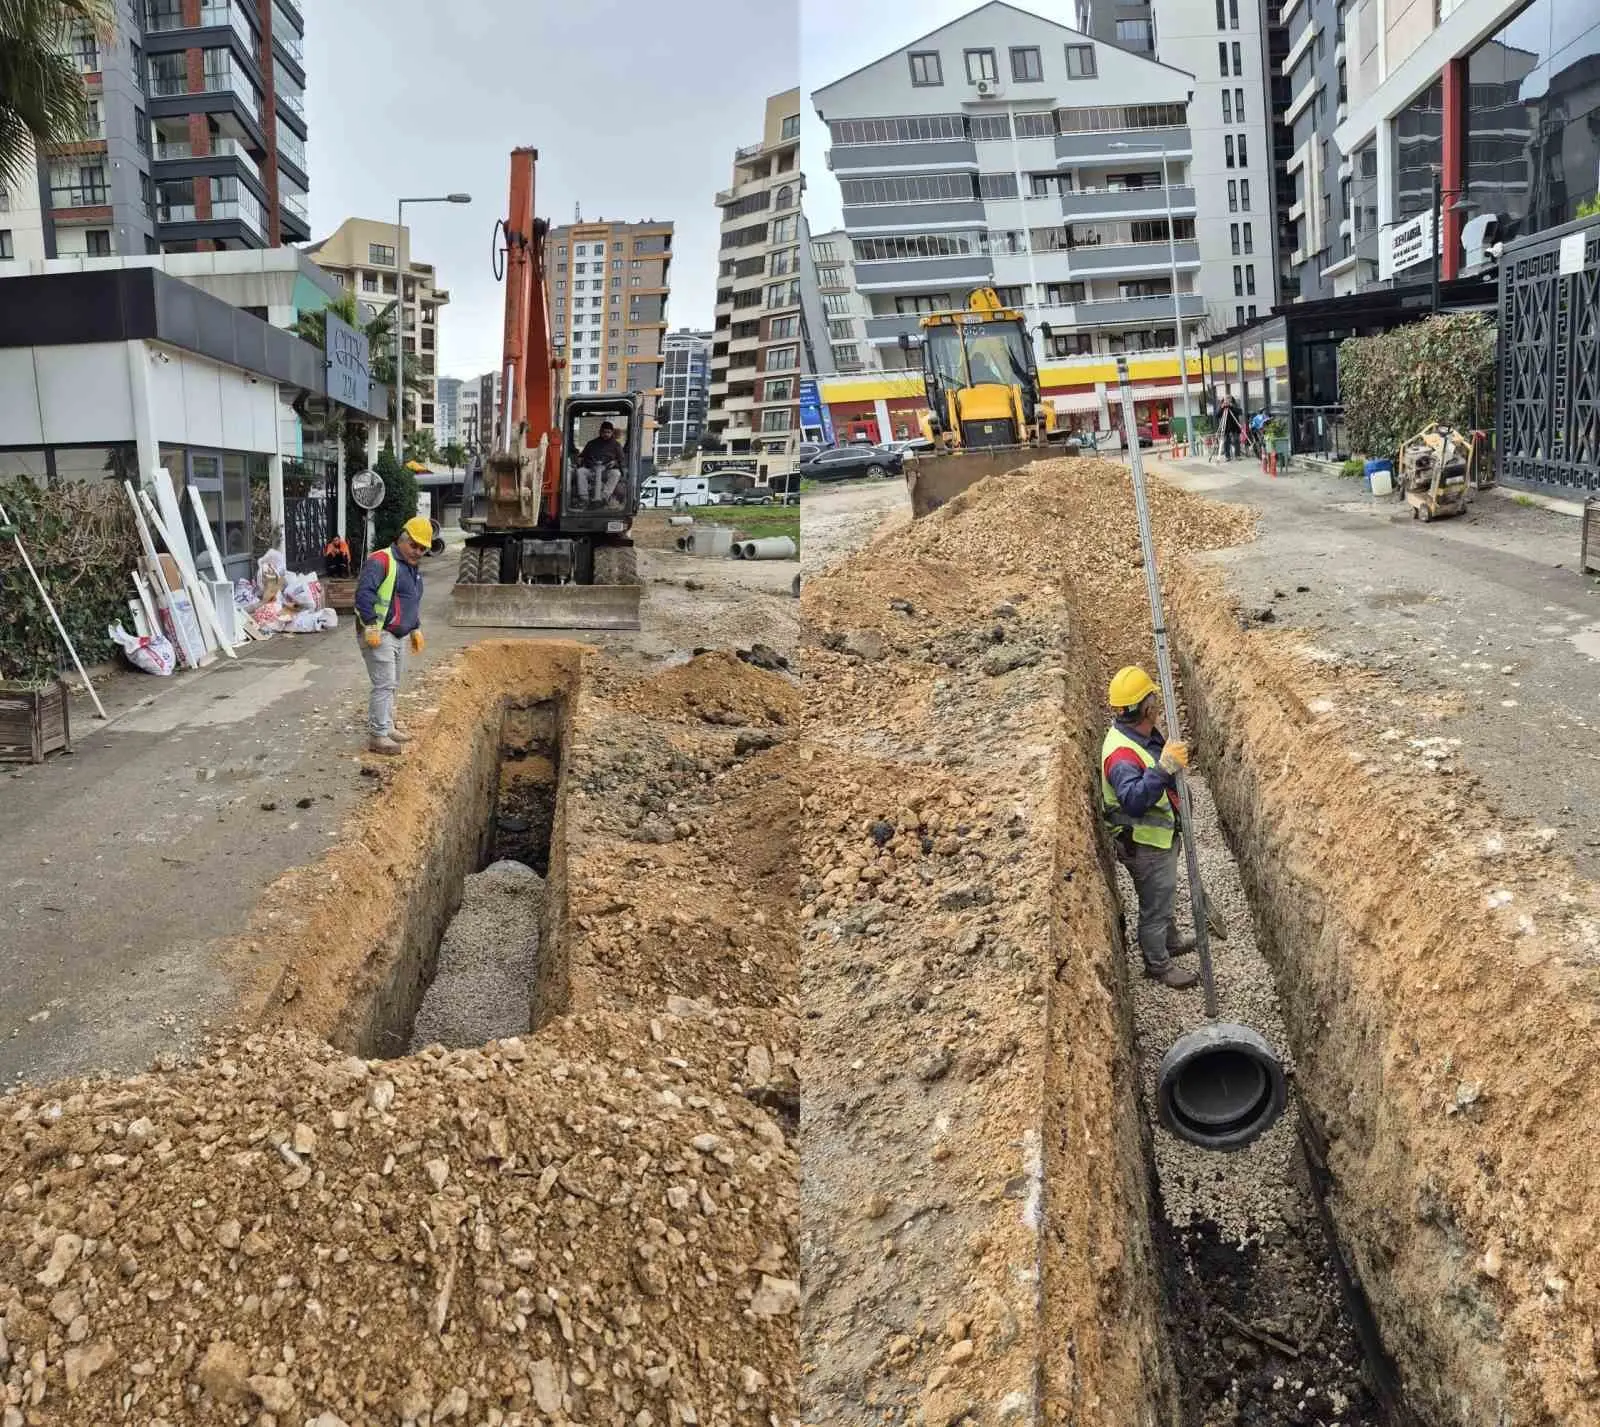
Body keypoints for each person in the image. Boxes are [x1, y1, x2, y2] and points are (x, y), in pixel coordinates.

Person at [1100, 666, 1198, 989]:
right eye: (1154, 699)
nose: (1158, 704)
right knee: (1155, 905)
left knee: (1164, 894)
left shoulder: (1139, 735)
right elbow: (1134, 800)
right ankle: (1158, 964)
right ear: (1146, 707)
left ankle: (1169, 941)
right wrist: (1166, 767)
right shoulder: (1122, 754)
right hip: (1145, 844)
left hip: (1159, 838)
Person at [354, 515, 431, 755]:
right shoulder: (381, 561)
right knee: (384, 683)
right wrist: (371, 625)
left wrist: (415, 628)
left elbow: (411, 602)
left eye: (422, 548)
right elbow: (363, 595)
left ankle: (387, 727)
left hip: (398, 634)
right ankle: (378, 735)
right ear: (402, 539)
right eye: (414, 545)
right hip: (380, 633)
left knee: (392, 683)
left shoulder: (412, 569)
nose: (417, 551)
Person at [576, 422, 626, 506]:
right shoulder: (591, 444)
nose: (606, 434)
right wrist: (583, 461)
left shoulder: (616, 445)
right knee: (580, 471)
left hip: (606, 472)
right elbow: (582, 456)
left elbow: (622, 460)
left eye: (608, 432)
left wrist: (615, 463)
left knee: (616, 473)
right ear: (600, 432)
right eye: (604, 432)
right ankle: (584, 498)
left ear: (612, 432)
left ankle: (604, 497)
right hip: (592, 470)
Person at [1217, 393, 1243, 461]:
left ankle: (1237, 455)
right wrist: (1222, 408)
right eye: (1226, 399)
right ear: (1224, 399)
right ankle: (1227, 456)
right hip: (1225, 426)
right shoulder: (1221, 406)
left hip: (1234, 425)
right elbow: (1217, 415)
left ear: (1231, 399)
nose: (1227, 400)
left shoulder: (1234, 405)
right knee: (1226, 441)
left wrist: (1232, 406)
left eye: (1229, 399)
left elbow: (1240, 412)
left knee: (1236, 440)